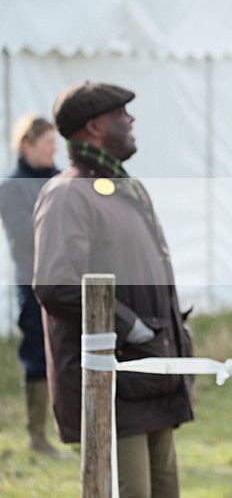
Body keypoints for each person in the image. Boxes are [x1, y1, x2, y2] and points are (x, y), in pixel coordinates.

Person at [32, 82, 194, 498]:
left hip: (152, 372)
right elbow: (56, 286)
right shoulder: (68, 193)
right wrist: (130, 326)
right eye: (123, 114)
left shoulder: (127, 186)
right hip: (113, 381)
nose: (132, 121)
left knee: (165, 490)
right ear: (95, 127)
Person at [0, 114, 60, 456]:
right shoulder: (11, 186)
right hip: (34, 284)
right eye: (47, 143)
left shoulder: (60, 179)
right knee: (37, 355)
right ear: (27, 145)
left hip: (67, 279)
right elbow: (25, 238)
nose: (54, 149)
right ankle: (37, 436)